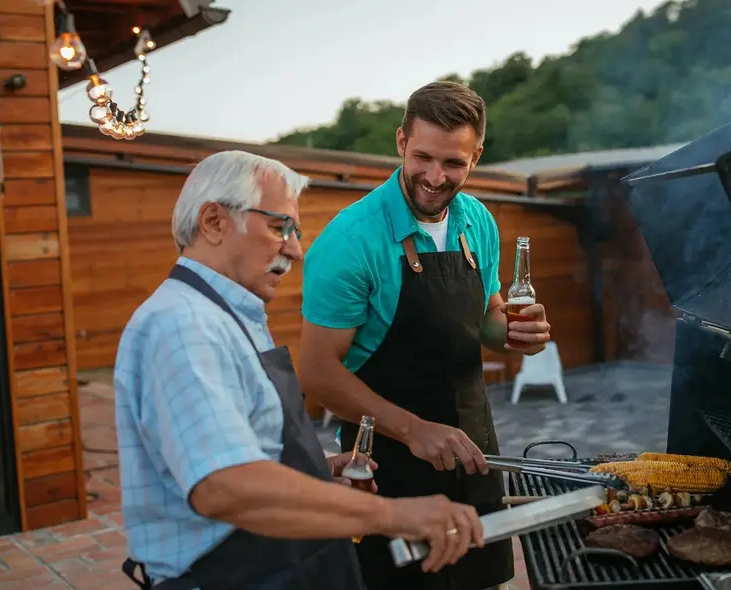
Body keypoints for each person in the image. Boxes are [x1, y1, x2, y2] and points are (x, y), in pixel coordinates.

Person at [113, 150, 485, 590]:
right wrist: (395, 515)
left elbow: (238, 445)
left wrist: (314, 467)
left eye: (295, 231)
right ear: (213, 221)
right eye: (278, 227)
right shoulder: (183, 324)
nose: (295, 248)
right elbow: (223, 486)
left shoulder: (227, 316)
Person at [298, 81, 553, 590]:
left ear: (476, 156)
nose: (436, 178)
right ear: (400, 143)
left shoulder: (477, 220)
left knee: (482, 579)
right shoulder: (350, 242)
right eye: (423, 157)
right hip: (385, 460)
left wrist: (517, 334)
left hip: (474, 445)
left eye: (454, 163)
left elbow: (487, 316)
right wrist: (415, 431)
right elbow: (320, 376)